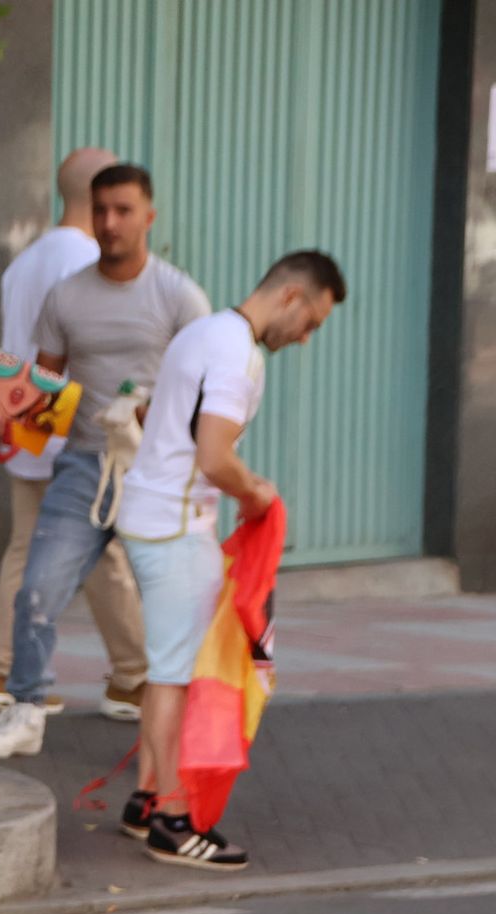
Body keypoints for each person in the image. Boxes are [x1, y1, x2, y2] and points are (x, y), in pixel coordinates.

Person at [0, 163, 210, 761]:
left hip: (159, 473)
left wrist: (156, 412)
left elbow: (206, 391)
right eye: (101, 210)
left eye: (124, 211)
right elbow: (46, 386)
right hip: (82, 466)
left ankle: (193, 720)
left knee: (180, 602)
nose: (109, 222)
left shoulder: (179, 296)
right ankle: (26, 709)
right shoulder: (67, 294)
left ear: (149, 217)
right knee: (37, 589)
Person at [117, 251, 345, 868]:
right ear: (293, 295)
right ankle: (171, 816)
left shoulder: (203, 331)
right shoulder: (238, 354)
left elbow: (155, 416)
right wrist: (257, 492)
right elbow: (215, 455)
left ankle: (145, 800)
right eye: (312, 322)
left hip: (150, 515)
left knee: (169, 666)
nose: (304, 339)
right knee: (177, 675)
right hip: (174, 527)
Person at [0, 146, 150, 724]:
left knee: (28, 550)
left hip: (26, 426)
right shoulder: (87, 262)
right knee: (106, 556)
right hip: (80, 435)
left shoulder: (23, 262)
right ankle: (134, 676)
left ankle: (4, 668)